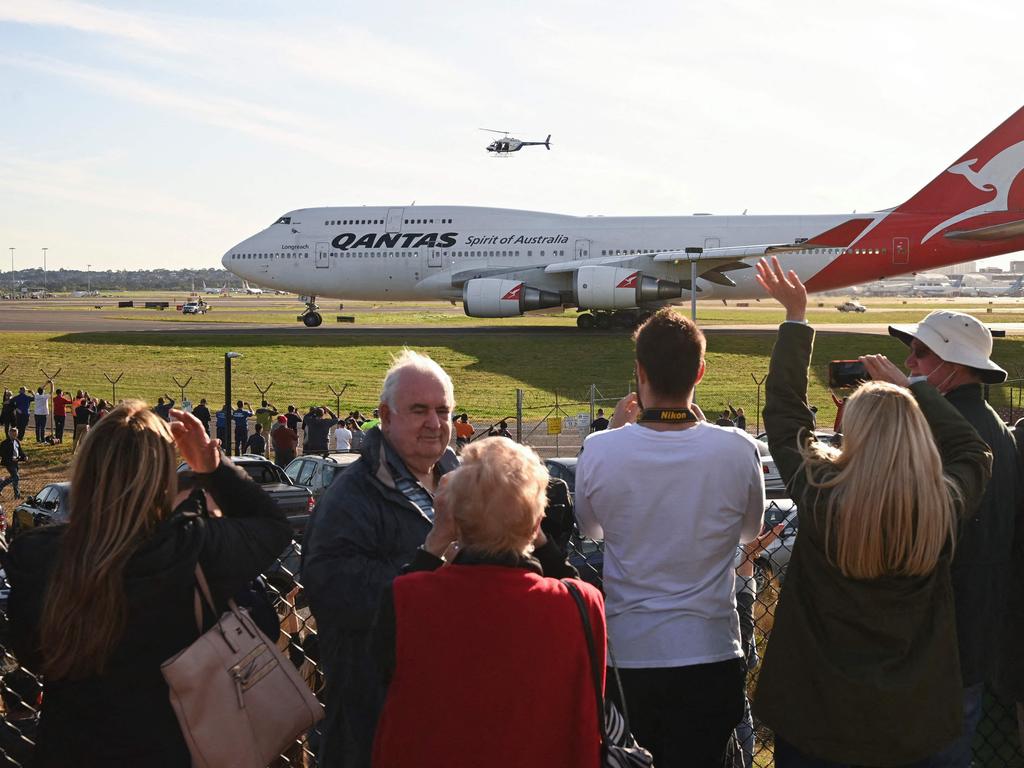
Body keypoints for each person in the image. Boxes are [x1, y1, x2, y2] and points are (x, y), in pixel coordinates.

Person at [752, 257, 992, 766]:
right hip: (914, 720)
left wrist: (797, 320)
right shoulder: (940, 507)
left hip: (817, 716)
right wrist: (918, 389)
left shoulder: (823, 492)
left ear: (851, 435)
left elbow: (786, 415)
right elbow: (973, 453)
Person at [4, 402, 291, 767]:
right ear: (160, 479)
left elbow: (30, 651)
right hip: (172, 744)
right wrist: (213, 467)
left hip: (70, 746)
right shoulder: (188, 548)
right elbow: (273, 525)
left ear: (86, 472)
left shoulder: (39, 557)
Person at [575, 308, 765, 767]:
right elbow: (749, 531)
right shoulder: (737, 449)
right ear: (700, 370)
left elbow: (592, 529)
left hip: (629, 655)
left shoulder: (600, 449)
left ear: (638, 373)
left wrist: (617, 436)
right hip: (711, 651)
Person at [371, 438, 603, 767]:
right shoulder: (578, 604)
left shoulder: (408, 598)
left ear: (456, 520)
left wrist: (437, 537)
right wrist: (534, 529)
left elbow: (381, 669)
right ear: (537, 523)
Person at [303, 350, 459, 768]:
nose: (434, 423)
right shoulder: (351, 495)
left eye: (443, 411)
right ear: (385, 418)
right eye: (419, 410)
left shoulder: (457, 478)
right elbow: (336, 594)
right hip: (375, 716)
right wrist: (432, 553)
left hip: (450, 711)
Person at [886, 309, 1022, 766]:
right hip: (978, 627)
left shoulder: (941, 431)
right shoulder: (996, 429)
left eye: (921, 352)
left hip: (932, 630)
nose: (910, 362)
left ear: (952, 362)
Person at [0, 427, 27, 498]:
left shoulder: (17, 441)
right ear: (9, 434)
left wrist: (24, 456)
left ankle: (16, 496)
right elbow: (2, 454)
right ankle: (17, 495)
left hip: (16, 462)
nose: (14, 436)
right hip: (8, 463)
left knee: (15, 478)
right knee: (16, 477)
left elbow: (20, 451)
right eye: (12, 434)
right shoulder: (4, 443)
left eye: (15, 434)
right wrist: (11, 458)